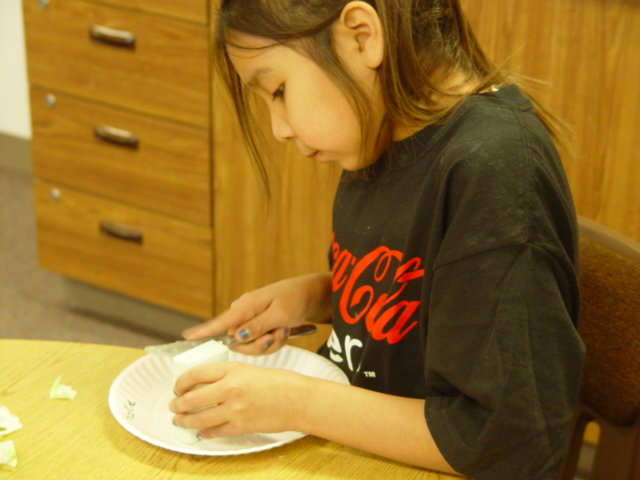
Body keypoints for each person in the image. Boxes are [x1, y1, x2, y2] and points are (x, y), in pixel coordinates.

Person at [168, 1, 585, 479]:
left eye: (279, 91)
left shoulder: (494, 169)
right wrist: (320, 295)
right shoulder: (376, 135)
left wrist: (297, 403)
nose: (279, 129)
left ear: (362, 36)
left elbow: (504, 442)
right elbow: (431, 290)